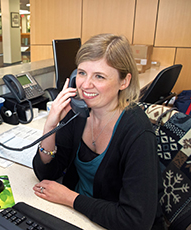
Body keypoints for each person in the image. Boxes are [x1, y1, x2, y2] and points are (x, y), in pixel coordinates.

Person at [32, 34, 165, 230]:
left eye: (99, 76)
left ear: (124, 82)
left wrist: (70, 198)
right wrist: (50, 127)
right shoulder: (79, 112)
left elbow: (136, 221)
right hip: (80, 217)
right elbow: (46, 172)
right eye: (82, 73)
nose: (85, 85)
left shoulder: (137, 132)